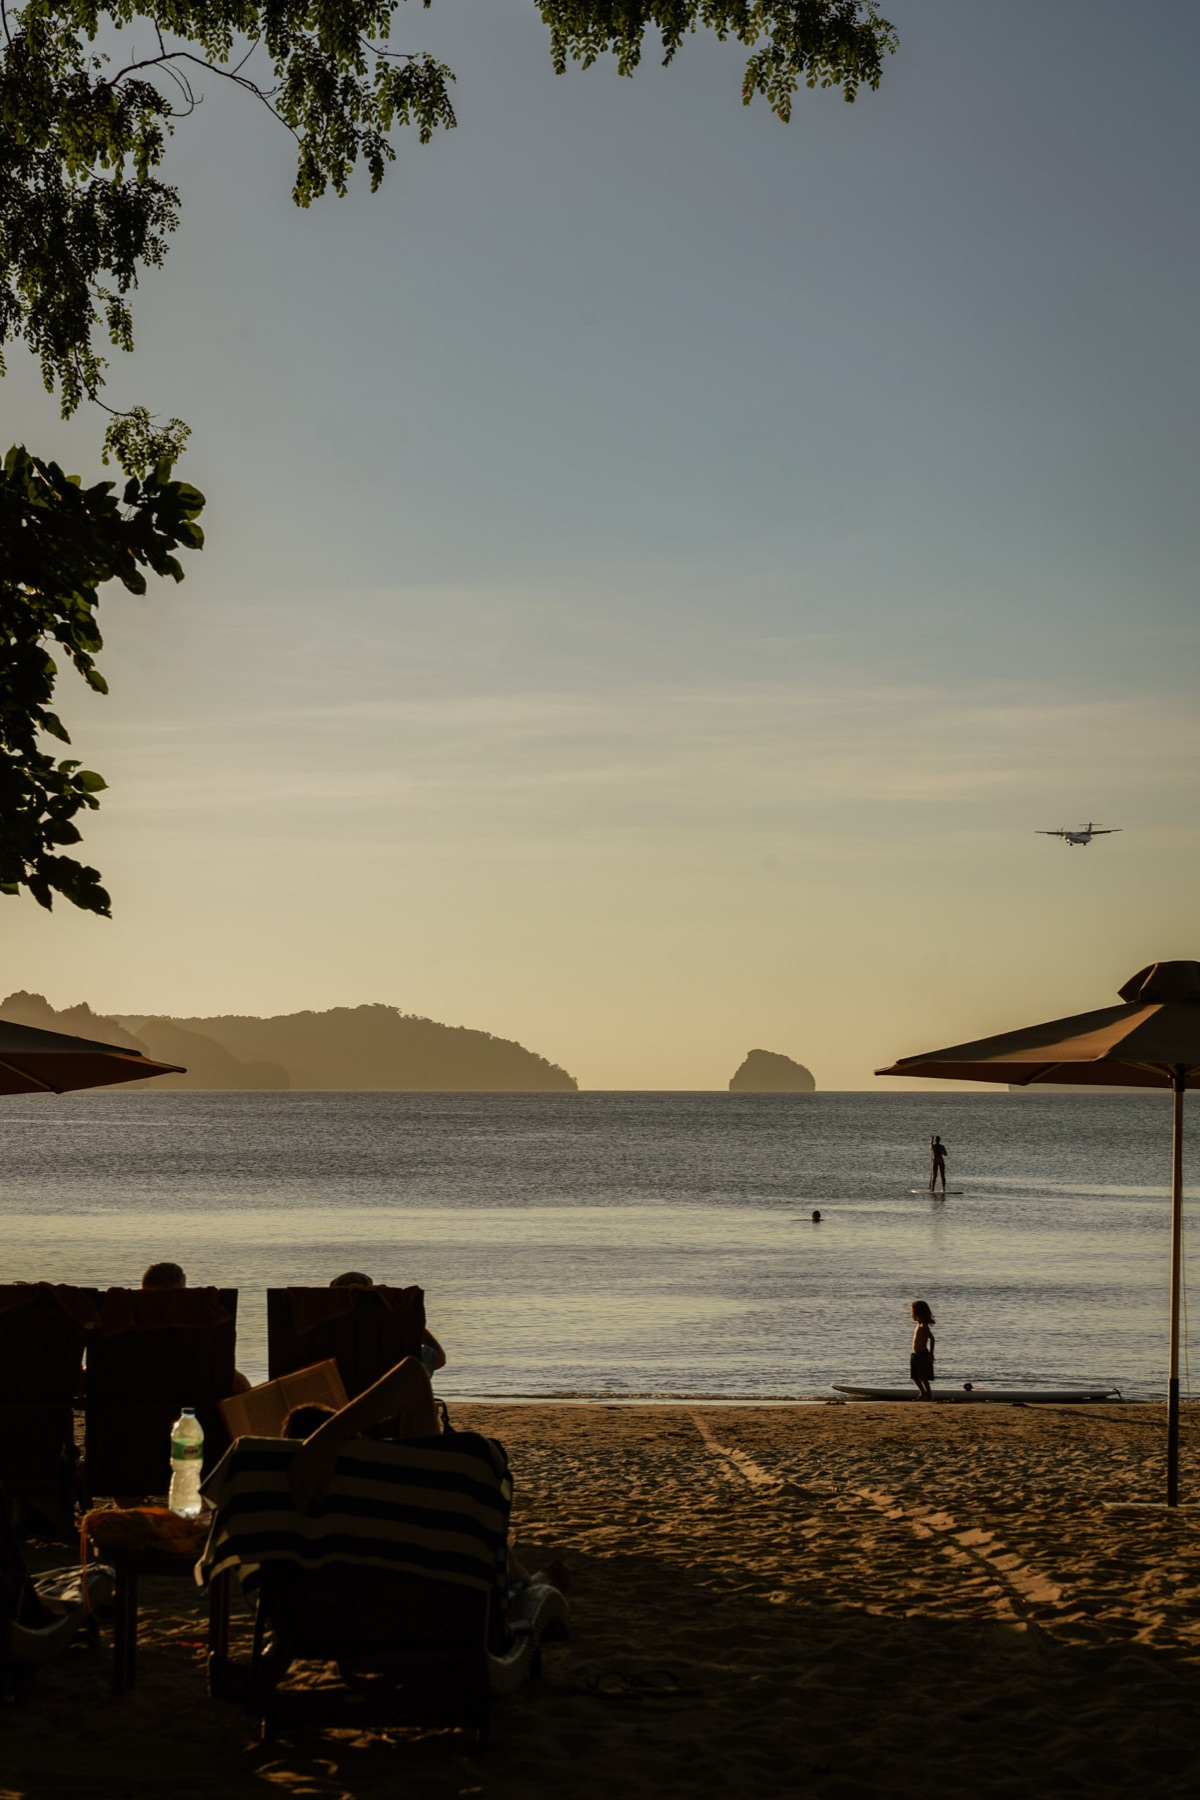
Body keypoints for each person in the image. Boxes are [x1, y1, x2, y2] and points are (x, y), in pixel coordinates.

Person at [328, 1269, 447, 1373]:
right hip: (388, 1397)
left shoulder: (322, 1346)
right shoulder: (394, 1352)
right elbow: (439, 1359)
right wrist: (415, 1325)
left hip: (335, 1397)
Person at [909, 1299, 935, 1400]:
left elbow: (932, 1338)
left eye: (912, 1311)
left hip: (922, 1354)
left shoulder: (923, 1326)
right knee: (915, 1376)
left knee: (922, 1376)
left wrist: (931, 1354)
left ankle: (928, 1394)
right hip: (915, 1354)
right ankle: (922, 1393)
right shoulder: (918, 1325)